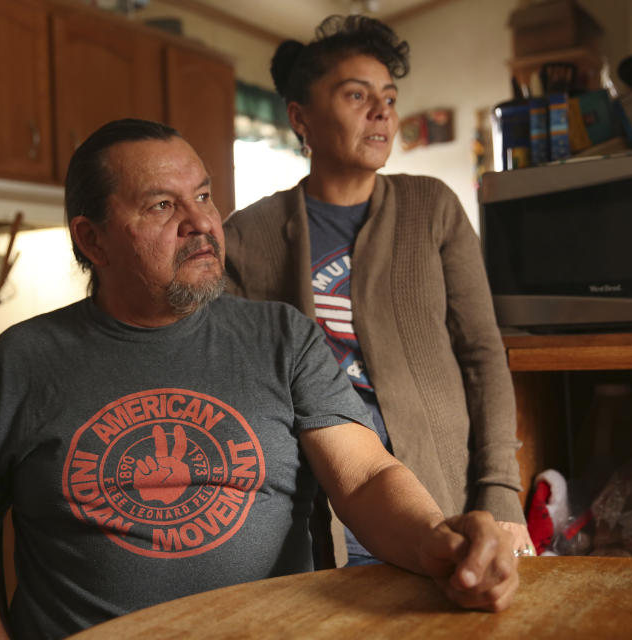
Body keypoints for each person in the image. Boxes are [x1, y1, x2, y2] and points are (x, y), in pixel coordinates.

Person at [0, 118, 519, 640]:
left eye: (203, 195)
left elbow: (364, 478)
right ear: (92, 239)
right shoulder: (23, 360)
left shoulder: (282, 337)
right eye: (162, 205)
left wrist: (435, 541)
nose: (201, 222)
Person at [223, 15, 531, 567]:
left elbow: (482, 353)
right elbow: (237, 387)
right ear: (301, 118)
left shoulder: (432, 207)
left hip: (438, 493)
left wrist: (500, 490)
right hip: (316, 507)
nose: (382, 111)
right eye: (356, 95)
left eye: (388, 97)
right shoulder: (248, 235)